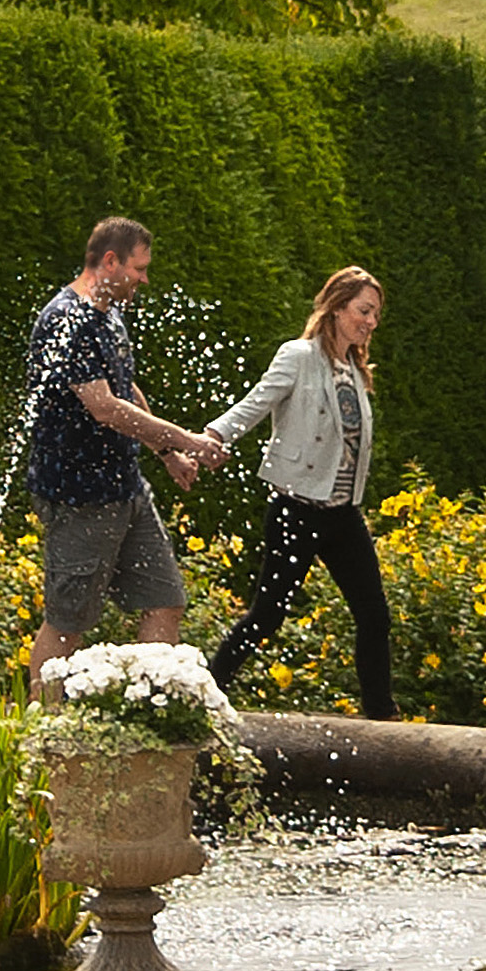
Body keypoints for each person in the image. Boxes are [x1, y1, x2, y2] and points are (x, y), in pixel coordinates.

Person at [24, 216, 226, 677]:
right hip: (78, 498)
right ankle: (41, 737)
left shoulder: (110, 313)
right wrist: (187, 439)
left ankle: (142, 720)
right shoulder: (66, 320)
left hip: (126, 489)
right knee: (66, 625)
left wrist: (167, 454)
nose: (144, 279)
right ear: (110, 262)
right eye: (139, 268)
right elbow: (104, 408)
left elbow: (124, 388)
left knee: (164, 602)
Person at [203, 269, 395, 722]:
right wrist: (211, 437)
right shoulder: (298, 356)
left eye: (375, 315)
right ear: (336, 307)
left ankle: (382, 715)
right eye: (363, 311)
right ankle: (206, 694)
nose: (370, 322)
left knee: (374, 614)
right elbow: (257, 402)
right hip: (297, 510)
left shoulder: (354, 369)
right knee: (266, 617)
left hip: (343, 515)